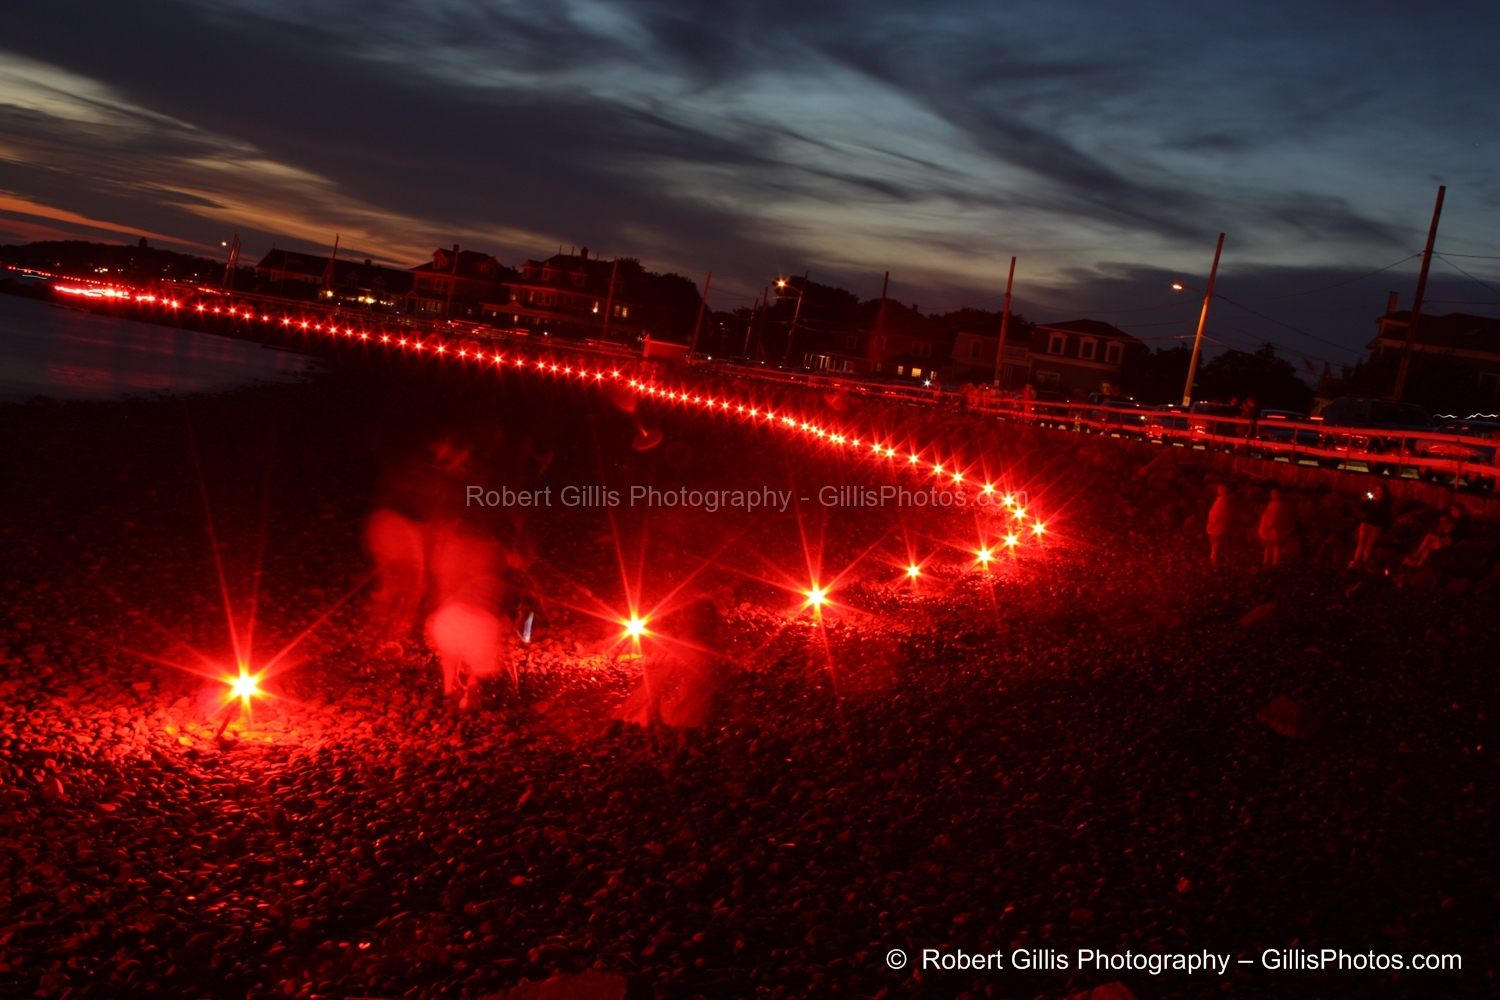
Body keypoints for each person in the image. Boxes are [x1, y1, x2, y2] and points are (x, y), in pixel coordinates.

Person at [1350, 484, 1391, 569]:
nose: (1378, 492)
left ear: (1384, 492)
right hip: (1366, 522)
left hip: (1377, 525)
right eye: (1377, 490)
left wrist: (1378, 503)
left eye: (1380, 490)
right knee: (1361, 542)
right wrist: (1363, 501)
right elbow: (1361, 508)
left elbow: (1384, 514)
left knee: (1370, 543)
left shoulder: (1387, 502)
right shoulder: (1372, 500)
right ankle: (1356, 561)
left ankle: (1364, 563)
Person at [1258, 488, 1296, 566]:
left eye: (1274, 494)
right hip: (1276, 528)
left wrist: (1267, 526)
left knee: (1273, 545)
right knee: (1274, 545)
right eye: (1272, 494)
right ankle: (1272, 562)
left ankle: (1270, 562)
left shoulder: (1275, 505)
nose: (1273, 496)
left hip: (1273, 528)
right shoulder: (1281, 505)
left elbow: (1272, 517)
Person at [1206, 484, 1232, 566]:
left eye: (1220, 489)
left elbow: (1216, 515)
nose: (1218, 490)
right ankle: (1216, 556)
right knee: (1217, 541)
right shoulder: (1225, 501)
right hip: (1221, 524)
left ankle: (1213, 556)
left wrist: (1211, 524)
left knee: (1215, 541)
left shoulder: (1220, 501)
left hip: (1216, 525)